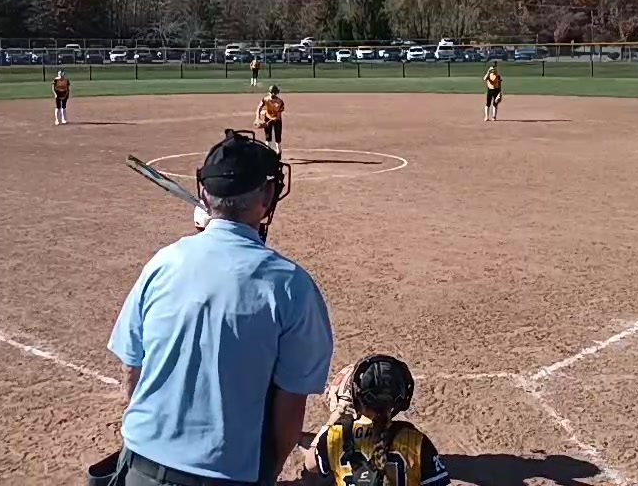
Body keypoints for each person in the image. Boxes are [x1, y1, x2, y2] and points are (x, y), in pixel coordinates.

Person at [108, 129, 333, 486]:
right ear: (268, 196)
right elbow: (290, 408)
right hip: (228, 475)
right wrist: (267, 474)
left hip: (140, 465)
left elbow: (132, 369)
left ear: (204, 194)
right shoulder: (292, 286)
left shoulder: (162, 263)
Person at [301, 355, 450, 486]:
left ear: (356, 396)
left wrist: (336, 414)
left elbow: (310, 464)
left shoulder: (334, 436)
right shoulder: (416, 441)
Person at [256, 85, 285, 157]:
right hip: (268, 118)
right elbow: (259, 107)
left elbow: (278, 116)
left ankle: (279, 152)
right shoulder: (266, 99)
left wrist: (271, 120)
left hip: (276, 120)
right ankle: (268, 152)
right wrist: (257, 118)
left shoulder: (279, 102)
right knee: (268, 136)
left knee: (277, 136)